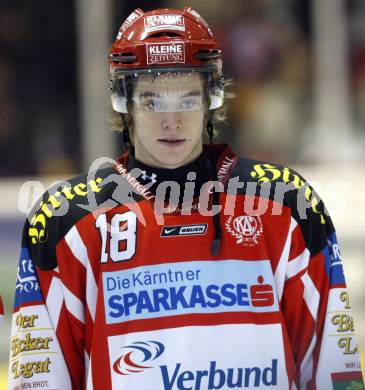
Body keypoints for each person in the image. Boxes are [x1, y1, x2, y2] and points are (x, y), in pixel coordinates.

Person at [9, 6, 364, 390]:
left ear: (211, 96)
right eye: (153, 101)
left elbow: (335, 369)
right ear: (123, 101)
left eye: (187, 98)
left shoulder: (285, 203)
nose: (171, 120)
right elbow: (40, 379)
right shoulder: (66, 219)